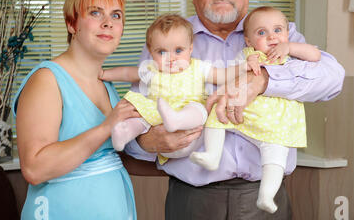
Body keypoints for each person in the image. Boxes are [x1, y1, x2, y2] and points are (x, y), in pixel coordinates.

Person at [125, 0, 345, 220]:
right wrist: (146, 143)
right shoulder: (167, 40)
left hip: (264, 197)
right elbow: (135, 116)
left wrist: (263, 81)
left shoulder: (275, 32)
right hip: (193, 201)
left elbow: (332, 78)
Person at [13, 0, 156, 220]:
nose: (108, 22)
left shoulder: (105, 83)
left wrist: (176, 168)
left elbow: (110, 156)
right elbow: (34, 168)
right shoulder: (47, 80)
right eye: (95, 12)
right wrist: (106, 127)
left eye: (116, 15)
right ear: (71, 23)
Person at [190, 6, 320, 214]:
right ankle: (212, 154)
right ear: (249, 41)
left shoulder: (291, 55)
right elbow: (232, 75)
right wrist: (247, 63)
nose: (272, 37)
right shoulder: (249, 55)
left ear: (287, 34)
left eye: (278, 30)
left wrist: (290, 47)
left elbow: (315, 55)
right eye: (262, 33)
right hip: (245, 114)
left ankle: (267, 195)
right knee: (216, 111)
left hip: (277, 121)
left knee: (277, 152)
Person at [100, 13, 260, 163]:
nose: (171, 58)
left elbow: (223, 75)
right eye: (162, 52)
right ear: (151, 52)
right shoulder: (151, 69)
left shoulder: (198, 67)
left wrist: (243, 67)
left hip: (188, 126)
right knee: (141, 115)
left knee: (200, 109)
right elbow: (127, 73)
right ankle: (124, 132)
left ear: (190, 48)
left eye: (178, 50)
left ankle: (177, 119)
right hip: (160, 120)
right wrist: (104, 74)